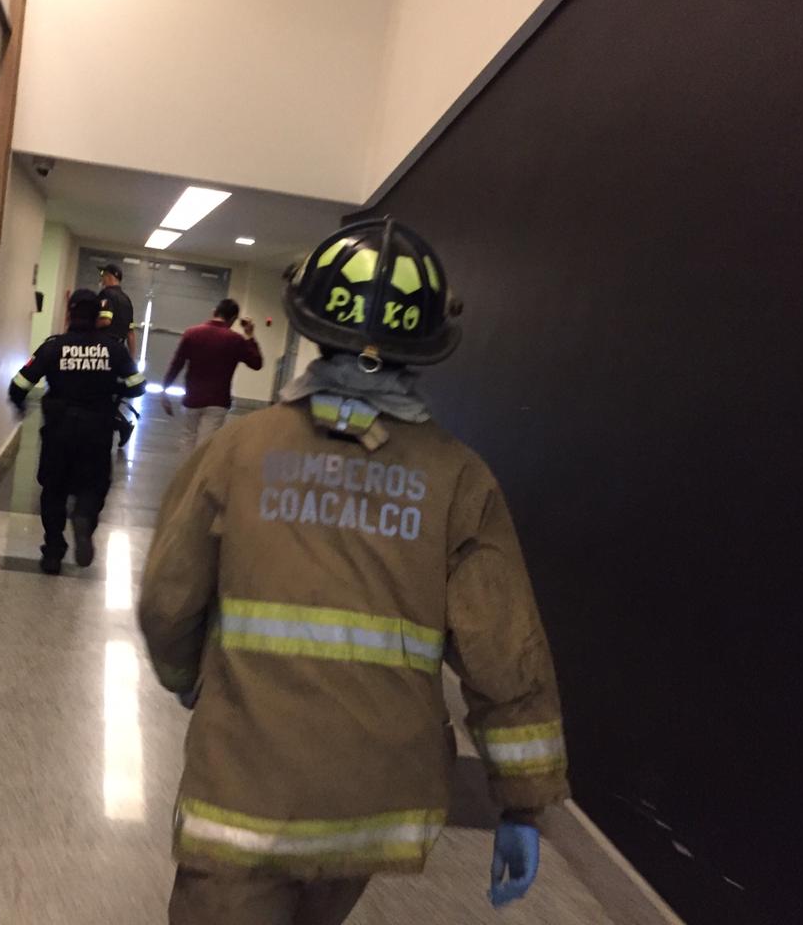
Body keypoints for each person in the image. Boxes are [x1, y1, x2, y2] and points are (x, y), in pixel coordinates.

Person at [138, 219, 569, 924]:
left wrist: (187, 680)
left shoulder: (237, 451)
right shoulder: (460, 479)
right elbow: (505, 651)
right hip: (374, 804)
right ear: (428, 342)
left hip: (246, 786)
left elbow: (167, 600)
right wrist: (523, 802)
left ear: (310, 324)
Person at [10, 288, 146, 575]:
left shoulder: (53, 347)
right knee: (93, 486)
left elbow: (19, 384)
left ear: (70, 313)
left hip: (59, 431)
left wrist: (20, 407)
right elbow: (138, 385)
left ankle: (53, 552)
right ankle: (83, 516)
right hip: (97, 431)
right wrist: (113, 388)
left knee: (54, 490)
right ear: (98, 316)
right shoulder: (113, 349)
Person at [160, 298, 262, 449]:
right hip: (218, 401)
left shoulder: (191, 334)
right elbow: (256, 363)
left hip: (192, 398)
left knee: (188, 440)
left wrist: (164, 390)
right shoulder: (236, 340)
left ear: (214, 312)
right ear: (234, 318)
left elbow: (176, 364)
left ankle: (188, 465)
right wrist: (250, 335)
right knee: (205, 445)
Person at [95, 262, 140, 447]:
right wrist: (131, 359)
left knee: (95, 394)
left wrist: (86, 326)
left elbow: (105, 320)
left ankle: (121, 425)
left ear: (110, 276)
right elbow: (130, 333)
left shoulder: (107, 294)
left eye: (103, 275)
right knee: (105, 394)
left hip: (103, 350)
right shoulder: (127, 300)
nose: (102, 279)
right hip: (118, 352)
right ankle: (121, 425)